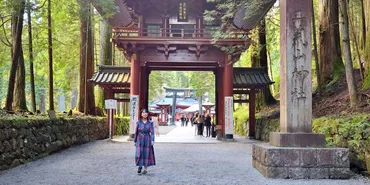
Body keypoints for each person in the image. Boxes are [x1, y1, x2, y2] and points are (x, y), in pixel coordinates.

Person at [134, 109, 156, 175]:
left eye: (146, 112)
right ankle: (140, 166)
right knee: (138, 154)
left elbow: (152, 132)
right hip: (139, 139)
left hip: (147, 139)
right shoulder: (138, 122)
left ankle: (145, 169)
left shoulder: (150, 123)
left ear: (147, 114)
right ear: (141, 114)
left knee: (146, 154)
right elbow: (136, 132)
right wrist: (135, 141)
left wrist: (152, 140)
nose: (144, 114)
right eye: (143, 113)